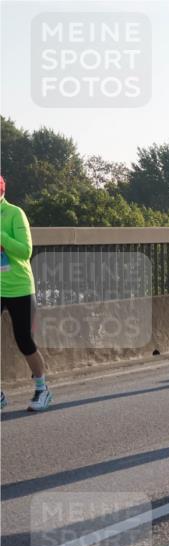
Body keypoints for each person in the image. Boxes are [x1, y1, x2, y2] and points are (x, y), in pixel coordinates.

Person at [0, 176, 52, 412]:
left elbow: (25, 251)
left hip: (19, 286)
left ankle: (42, 389)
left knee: (24, 340)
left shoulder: (14, 213)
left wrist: (1, 236)